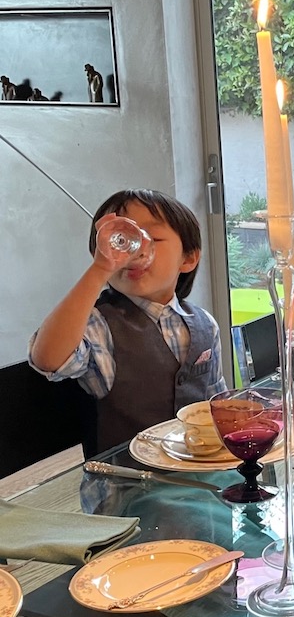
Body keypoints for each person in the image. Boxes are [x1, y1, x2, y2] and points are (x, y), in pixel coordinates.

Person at [29, 189, 227, 454]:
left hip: (197, 470)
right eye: (121, 239)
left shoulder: (205, 324)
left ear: (188, 258)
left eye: (153, 237)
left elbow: (217, 404)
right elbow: (49, 358)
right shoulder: (101, 326)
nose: (136, 249)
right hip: (128, 484)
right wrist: (100, 269)